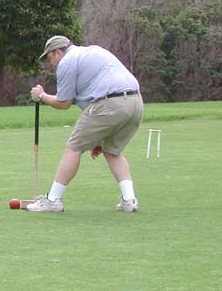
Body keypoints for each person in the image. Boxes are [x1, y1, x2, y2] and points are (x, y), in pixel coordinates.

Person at [28, 35, 143, 213]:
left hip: (109, 103)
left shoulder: (66, 62)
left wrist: (41, 96)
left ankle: (53, 200)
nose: (51, 64)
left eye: (50, 58)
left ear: (58, 52)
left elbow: (64, 103)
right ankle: (129, 200)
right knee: (112, 151)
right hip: (135, 103)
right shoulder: (92, 51)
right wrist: (98, 139)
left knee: (73, 148)